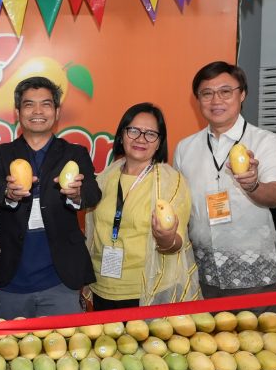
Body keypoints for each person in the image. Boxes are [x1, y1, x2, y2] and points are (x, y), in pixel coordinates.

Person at [0, 76, 101, 319]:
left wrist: (77, 195)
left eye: (46, 104)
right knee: (8, 354)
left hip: (60, 281)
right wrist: (8, 193)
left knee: (66, 353)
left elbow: (93, 192)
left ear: (57, 112)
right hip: (9, 281)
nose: (38, 111)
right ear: (18, 112)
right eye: (29, 105)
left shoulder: (75, 153)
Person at [173, 61, 276, 310]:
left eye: (225, 91)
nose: (216, 100)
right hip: (202, 273)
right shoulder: (185, 148)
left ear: (242, 94)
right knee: (206, 346)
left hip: (252, 273)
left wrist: (253, 185)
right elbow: (180, 207)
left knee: (258, 345)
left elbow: (275, 196)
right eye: (207, 93)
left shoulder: (265, 141)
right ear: (197, 99)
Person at [86, 103, 200, 309]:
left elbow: (177, 243)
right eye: (134, 130)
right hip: (102, 286)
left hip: (148, 289)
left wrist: (166, 239)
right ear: (121, 135)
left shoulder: (171, 182)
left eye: (150, 134)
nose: (141, 139)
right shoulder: (104, 178)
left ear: (159, 143)